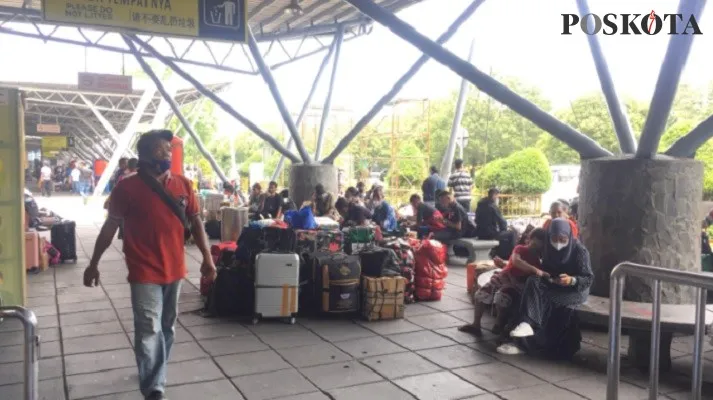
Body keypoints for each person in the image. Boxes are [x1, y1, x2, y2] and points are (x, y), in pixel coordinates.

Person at [83, 130, 216, 400]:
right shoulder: (126, 188)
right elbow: (111, 226)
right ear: (144, 155)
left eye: (169, 149)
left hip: (175, 269)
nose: (167, 153)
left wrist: (208, 258)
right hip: (143, 270)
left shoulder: (184, 184)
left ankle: (155, 371)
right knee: (148, 329)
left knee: (167, 326)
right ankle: (154, 388)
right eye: (160, 149)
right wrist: (93, 263)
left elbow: (196, 222)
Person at [499, 218, 593, 356]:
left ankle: (527, 342)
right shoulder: (547, 248)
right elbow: (527, 258)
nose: (558, 243)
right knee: (533, 281)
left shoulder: (579, 250)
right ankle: (527, 324)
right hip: (555, 284)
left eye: (562, 239)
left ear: (569, 236)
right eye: (554, 238)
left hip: (575, 290)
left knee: (544, 300)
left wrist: (572, 280)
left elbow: (588, 278)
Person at [460, 228, 547, 337]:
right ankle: (476, 324)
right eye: (534, 240)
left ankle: (499, 324)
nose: (535, 244)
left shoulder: (537, 260)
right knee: (482, 294)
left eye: (540, 242)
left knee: (503, 297)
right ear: (529, 239)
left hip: (516, 284)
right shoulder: (520, 249)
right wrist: (535, 270)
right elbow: (516, 262)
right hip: (503, 277)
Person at [474, 188, 516, 259]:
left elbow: (476, 220)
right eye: (497, 196)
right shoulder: (492, 206)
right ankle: (511, 256)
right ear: (494, 195)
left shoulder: (480, 204)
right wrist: (504, 229)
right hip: (489, 235)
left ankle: (497, 253)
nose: (497, 198)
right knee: (512, 233)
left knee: (501, 233)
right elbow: (502, 221)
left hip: (479, 233)